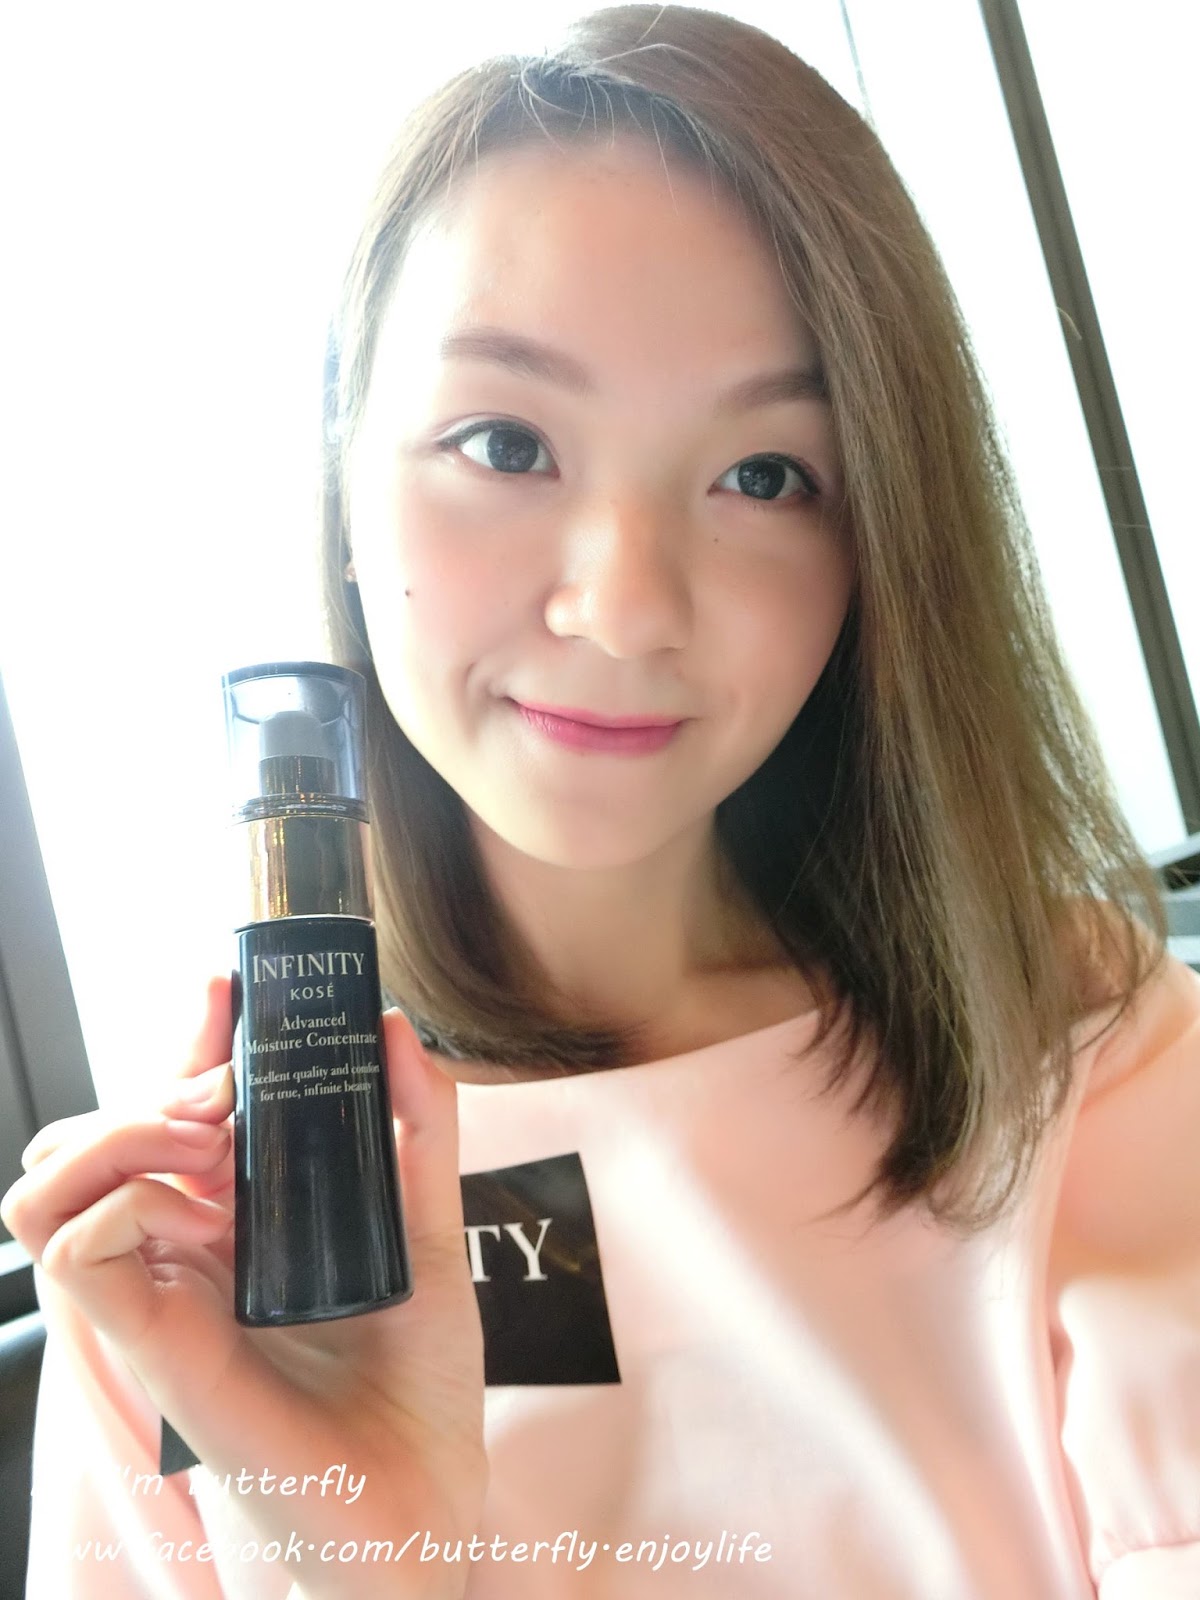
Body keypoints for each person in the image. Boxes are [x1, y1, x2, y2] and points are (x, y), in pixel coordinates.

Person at [3, 5, 1198, 1596]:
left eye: (764, 475)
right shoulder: (197, 1251)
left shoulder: (1083, 1040)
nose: (627, 607)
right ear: (346, 486)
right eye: (507, 443)